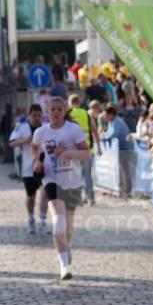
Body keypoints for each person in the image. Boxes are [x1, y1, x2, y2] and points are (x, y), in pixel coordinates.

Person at [32, 97, 90, 281]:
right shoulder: (41, 132)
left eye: (59, 109)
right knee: (58, 218)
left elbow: (86, 154)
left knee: (69, 223)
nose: (55, 112)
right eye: (52, 109)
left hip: (72, 180)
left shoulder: (74, 130)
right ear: (47, 113)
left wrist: (66, 153)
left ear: (64, 111)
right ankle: (63, 265)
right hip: (51, 179)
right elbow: (36, 149)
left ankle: (67, 246)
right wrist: (37, 163)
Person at [8, 104, 44, 234]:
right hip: (28, 167)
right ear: (29, 116)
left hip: (45, 166)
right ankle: (31, 219)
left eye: (39, 115)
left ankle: (43, 221)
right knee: (31, 196)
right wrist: (25, 141)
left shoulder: (45, 128)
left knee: (45, 193)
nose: (36, 118)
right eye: (34, 115)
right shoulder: (21, 127)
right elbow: (11, 143)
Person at [67, 94, 96, 205]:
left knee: (76, 175)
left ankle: (78, 199)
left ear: (70, 102)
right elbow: (94, 129)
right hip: (88, 149)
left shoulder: (69, 114)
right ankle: (90, 198)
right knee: (87, 175)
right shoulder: (86, 113)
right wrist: (97, 144)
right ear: (79, 102)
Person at [101, 105, 134, 197]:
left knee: (125, 168)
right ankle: (123, 189)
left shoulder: (116, 121)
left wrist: (103, 139)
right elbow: (109, 133)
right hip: (121, 148)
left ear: (111, 114)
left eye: (106, 115)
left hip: (125, 148)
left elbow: (114, 134)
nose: (105, 117)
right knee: (122, 168)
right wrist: (103, 136)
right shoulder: (111, 121)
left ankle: (127, 190)